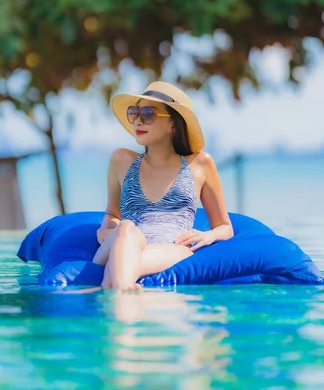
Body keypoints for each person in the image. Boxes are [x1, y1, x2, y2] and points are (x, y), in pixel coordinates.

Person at [93, 81, 233, 290]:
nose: (138, 121)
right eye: (134, 112)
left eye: (148, 114)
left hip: (172, 246)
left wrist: (207, 235)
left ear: (172, 124)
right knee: (127, 228)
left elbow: (225, 227)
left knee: (128, 253)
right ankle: (122, 287)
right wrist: (107, 227)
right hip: (125, 239)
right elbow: (112, 214)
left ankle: (115, 287)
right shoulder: (121, 160)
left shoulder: (200, 164)